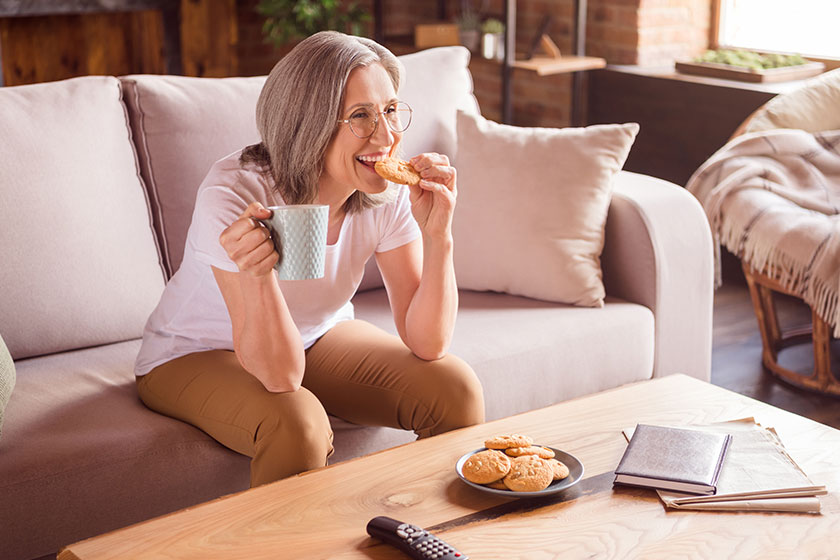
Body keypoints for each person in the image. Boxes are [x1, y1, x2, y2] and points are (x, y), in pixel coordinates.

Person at [133, 31, 485, 487]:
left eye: (391, 110)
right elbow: (281, 376)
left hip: (314, 338)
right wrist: (258, 274)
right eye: (361, 116)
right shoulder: (235, 195)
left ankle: (421, 527)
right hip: (193, 352)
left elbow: (429, 343)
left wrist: (439, 236)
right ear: (310, 124)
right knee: (297, 424)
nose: (387, 136)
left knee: (454, 388)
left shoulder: (387, 192)